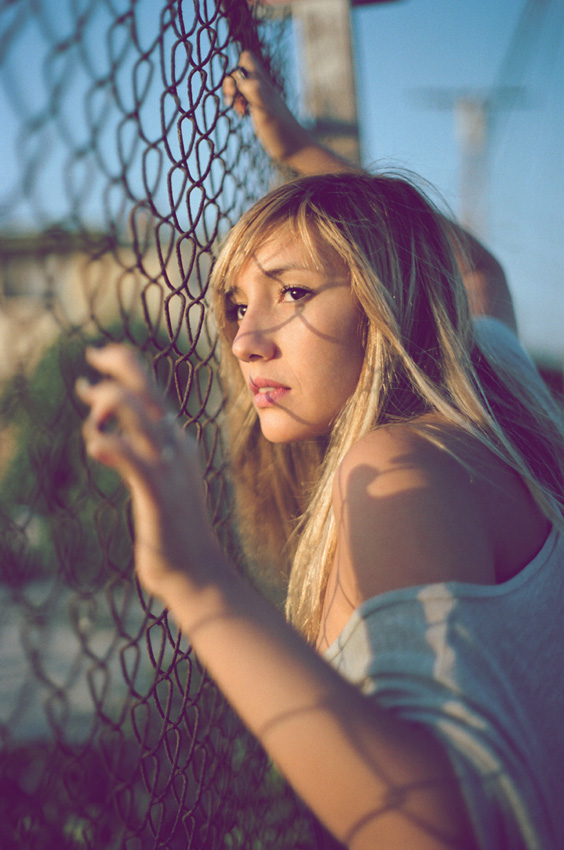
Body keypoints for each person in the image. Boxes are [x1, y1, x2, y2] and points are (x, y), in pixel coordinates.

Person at [76, 51, 564, 850]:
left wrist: (196, 582)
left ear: (386, 298)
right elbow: (476, 269)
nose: (244, 342)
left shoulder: (398, 468)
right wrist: (296, 145)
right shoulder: (495, 386)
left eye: (293, 293)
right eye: (236, 307)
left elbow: (433, 832)